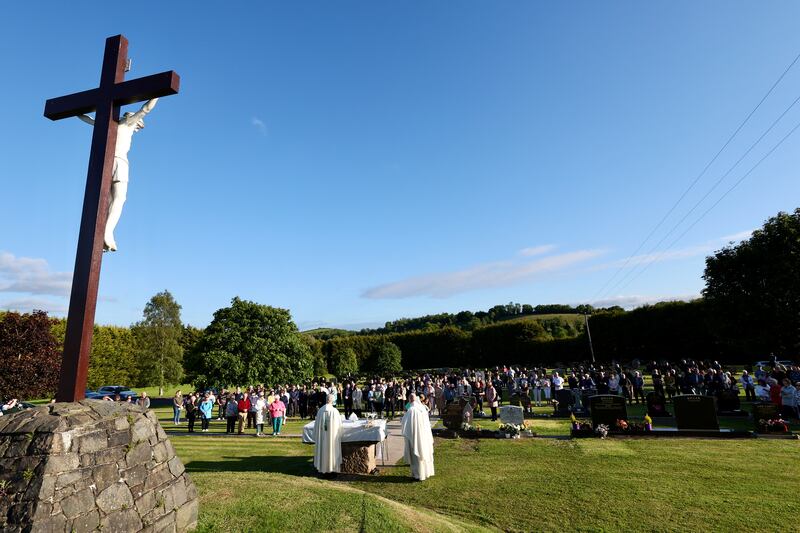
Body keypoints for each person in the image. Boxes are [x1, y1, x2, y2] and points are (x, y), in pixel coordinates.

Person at [77, 98, 158, 251]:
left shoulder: (109, 124)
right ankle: (107, 232)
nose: (137, 129)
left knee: (106, 201)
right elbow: (146, 109)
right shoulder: (127, 124)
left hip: (105, 161)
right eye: (138, 126)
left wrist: (75, 110)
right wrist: (158, 94)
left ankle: (102, 235)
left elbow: (88, 119)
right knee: (119, 199)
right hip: (119, 162)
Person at [401, 393, 435, 481]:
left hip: (415, 436)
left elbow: (406, 423)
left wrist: (402, 419)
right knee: (424, 453)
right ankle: (426, 473)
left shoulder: (411, 410)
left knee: (416, 455)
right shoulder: (422, 408)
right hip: (424, 436)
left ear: (409, 400)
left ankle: (418, 474)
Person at [313, 394, 342, 475]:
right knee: (332, 450)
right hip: (332, 437)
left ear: (326, 400)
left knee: (323, 449)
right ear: (332, 400)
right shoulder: (334, 411)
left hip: (322, 436)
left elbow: (316, 425)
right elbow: (339, 426)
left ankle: (323, 469)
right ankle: (332, 469)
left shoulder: (320, 411)